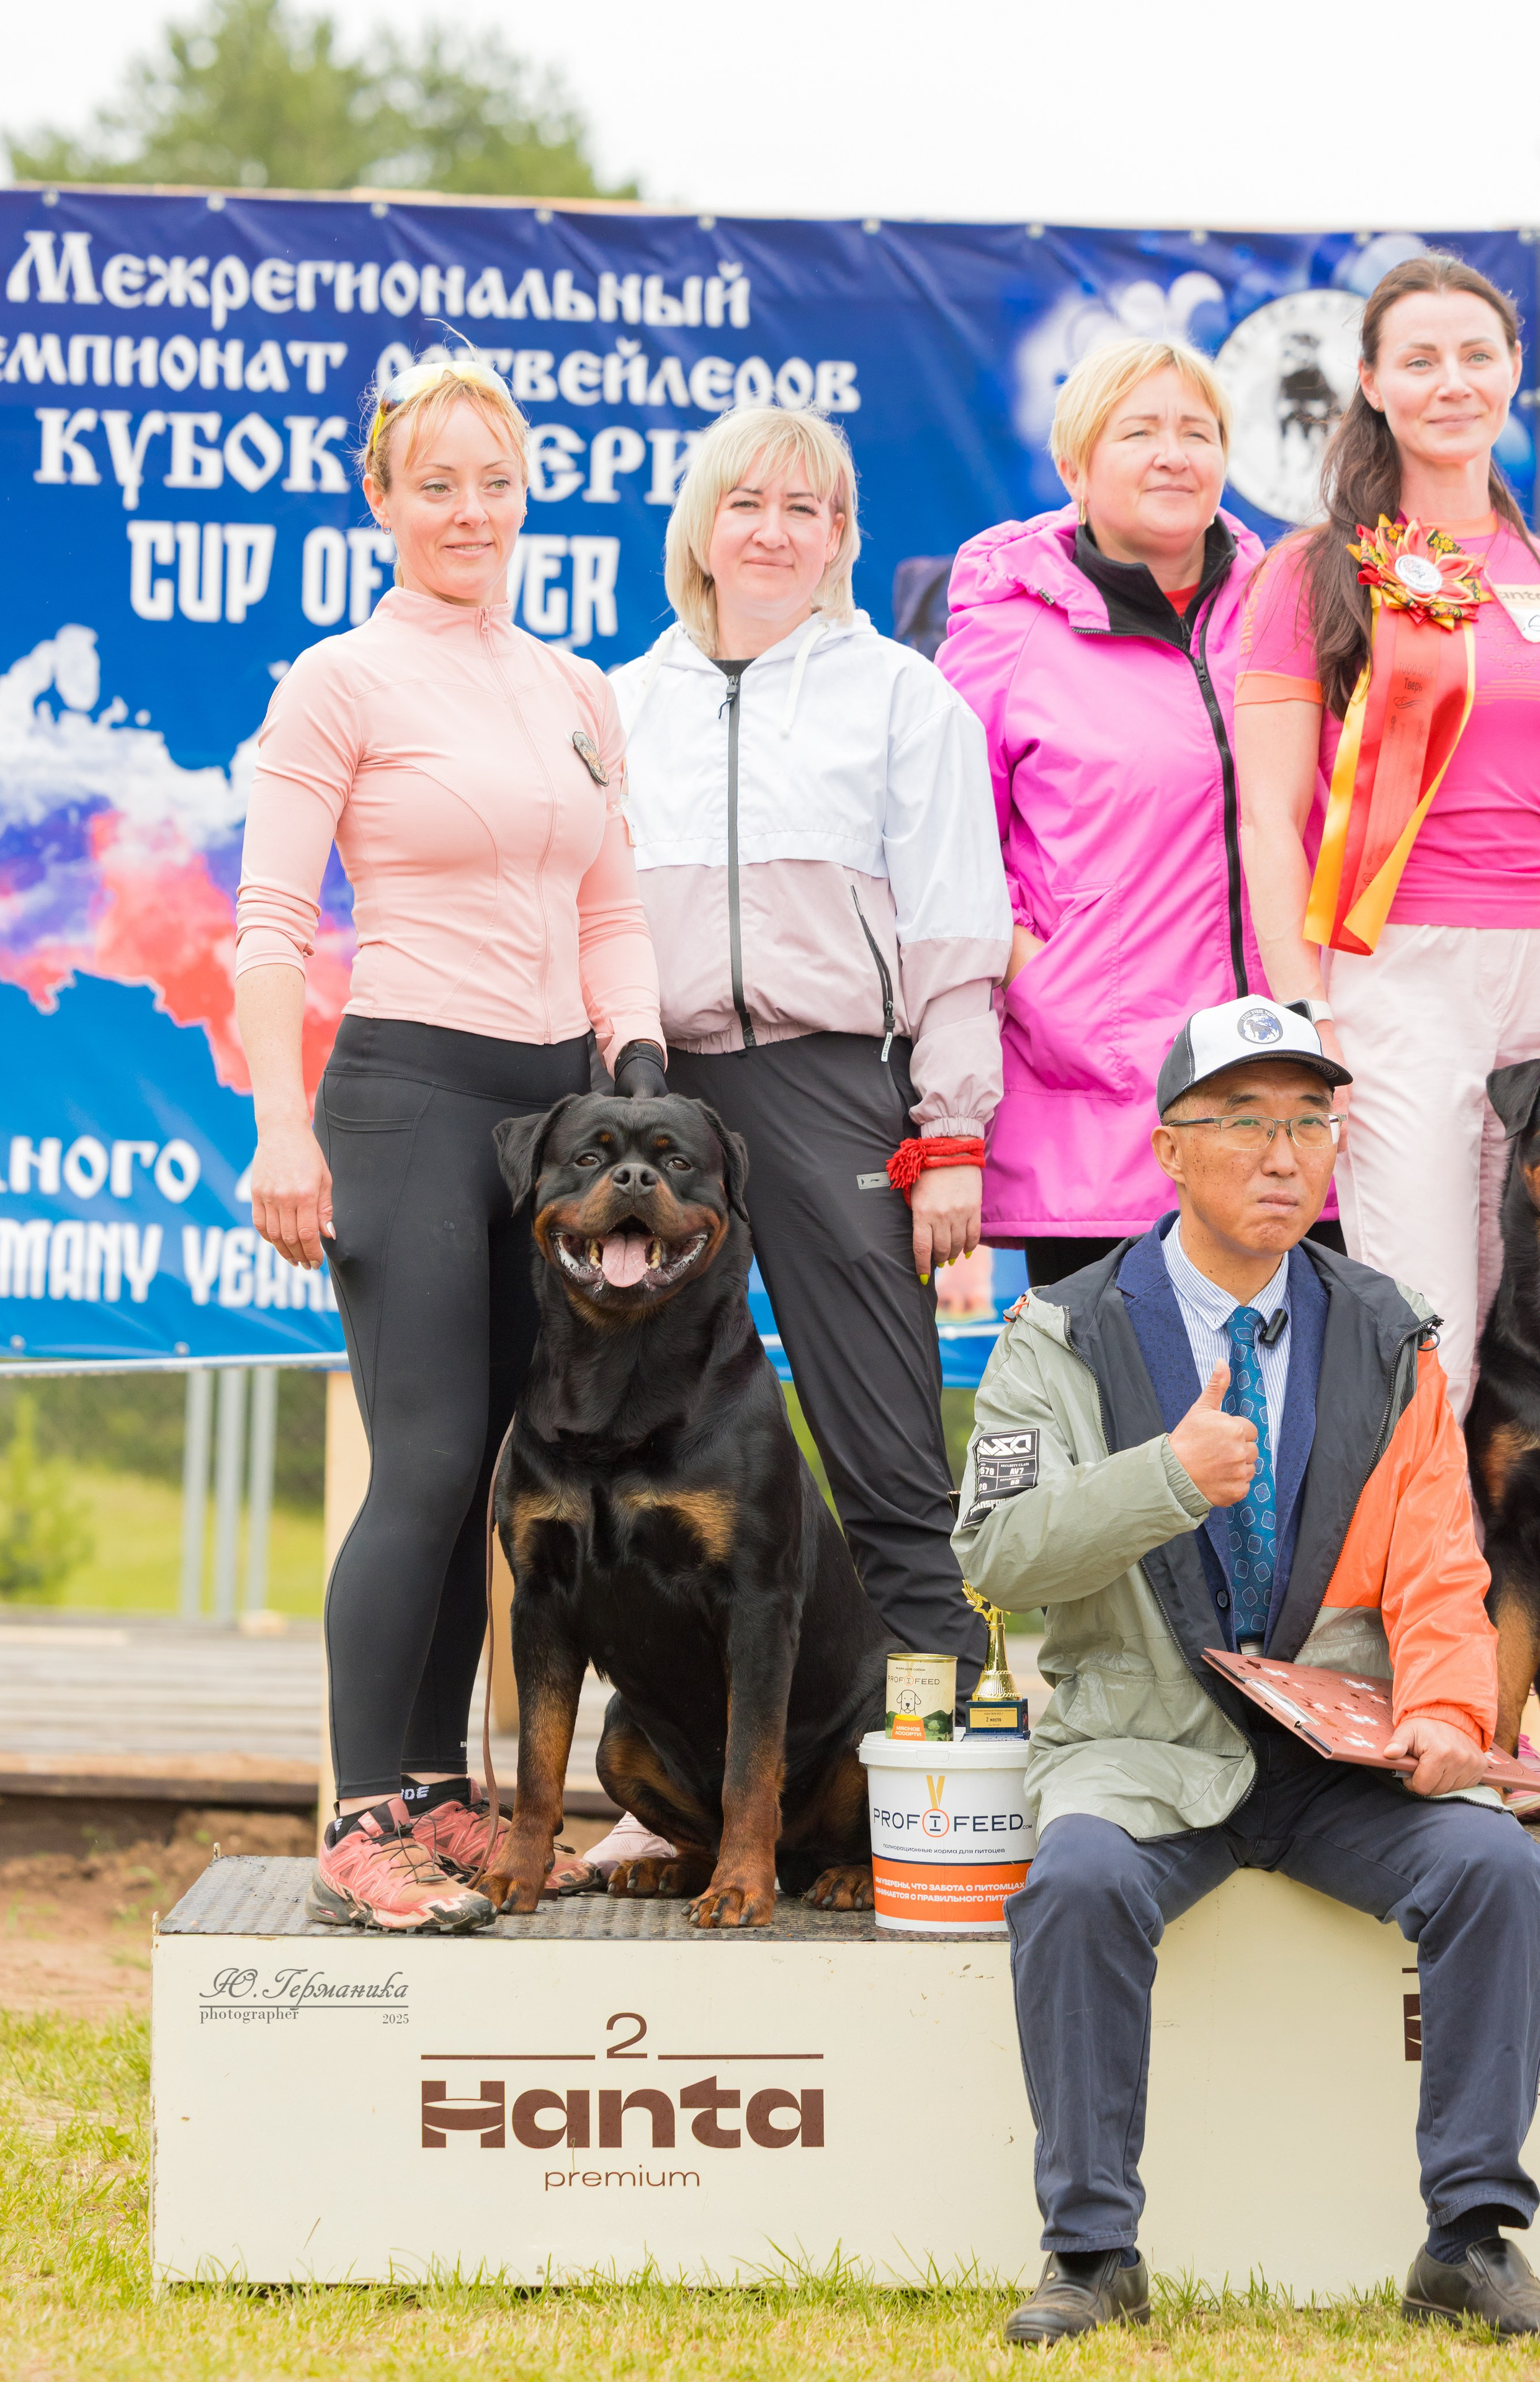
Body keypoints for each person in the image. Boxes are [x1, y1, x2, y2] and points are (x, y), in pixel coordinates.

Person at [955, 992, 1540, 2346]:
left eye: (1308, 1122)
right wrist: (1163, 1475)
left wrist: (1449, 1715)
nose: (1283, 1154)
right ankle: (1090, 2246)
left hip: (1338, 1763)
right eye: (1243, 1122)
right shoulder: (1060, 1329)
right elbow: (991, 1553)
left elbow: (1439, 1565)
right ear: (1166, 1148)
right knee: (1080, 1877)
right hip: (1139, 1746)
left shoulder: (1387, 1328)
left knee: (1494, 1866)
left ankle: (1467, 2233)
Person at [235, 353, 665, 1933]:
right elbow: (273, 924)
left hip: (554, 1122)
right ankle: (359, 1818)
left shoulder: (574, 688)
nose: (468, 508)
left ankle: (433, 1789)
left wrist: (635, 1063)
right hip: (406, 1099)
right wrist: (282, 1123)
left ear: (525, 491)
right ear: (384, 502)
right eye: (436, 483)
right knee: (419, 1460)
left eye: (494, 479)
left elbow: (608, 903)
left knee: (494, 1470)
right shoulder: (338, 680)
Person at [614, 400, 1009, 1691]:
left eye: (807, 507)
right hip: (659, 1097)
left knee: (885, 1448)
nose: (774, 530)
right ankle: (671, 1775)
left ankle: (936, 1789)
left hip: (836, 1084)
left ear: (841, 533)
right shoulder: (621, 704)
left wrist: (949, 1132)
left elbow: (957, 927)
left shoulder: (902, 697)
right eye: (748, 503)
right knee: (649, 1455)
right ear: (701, 527)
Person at [938, 336, 1343, 1289]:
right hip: (1106, 1112)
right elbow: (947, 859)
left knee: (1303, 1421)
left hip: (1290, 1095)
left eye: (1197, 431)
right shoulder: (1004, 633)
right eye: (1141, 431)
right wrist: (1061, 982)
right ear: (1074, 465)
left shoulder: (1291, 609)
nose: (1175, 453)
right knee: (1120, 1426)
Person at [1237, 253, 1540, 1421]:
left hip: (1533, 983)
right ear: (1370, 381)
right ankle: (1406, 1605)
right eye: (1419, 359)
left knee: (1528, 1349)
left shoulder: (1532, 569)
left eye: (1477, 354)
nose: (1451, 382)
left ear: (1513, 371)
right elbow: (1270, 815)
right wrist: (1304, 1008)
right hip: (1395, 979)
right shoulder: (1313, 573)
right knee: (1427, 1337)